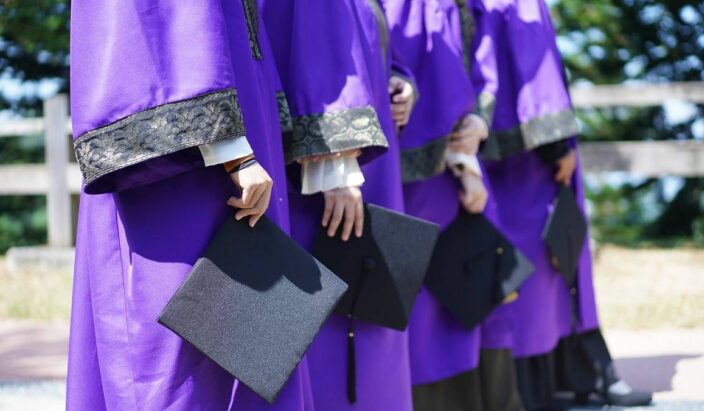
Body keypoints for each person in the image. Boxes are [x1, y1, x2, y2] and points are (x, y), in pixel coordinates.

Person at [65, 1, 316, 409]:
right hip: (185, 163)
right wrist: (233, 151)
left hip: (238, 129)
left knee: (255, 346)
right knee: (179, 352)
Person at [471, 0, 653, 408]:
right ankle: (568, 378)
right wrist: (556, 147)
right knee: (546, 270)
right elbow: (534, 66)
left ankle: (552, 380)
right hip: (532, 160)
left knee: (535, 272)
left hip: (493, 149)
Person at [261, 1, 418, 410]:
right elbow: (317, 44)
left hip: (368, 163)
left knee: (370, 319)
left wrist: (401, 80)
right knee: (325, 330)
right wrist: (336, 161)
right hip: (320, 170)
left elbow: (370, 39)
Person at [384, 0, 524, 409]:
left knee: (461, 305)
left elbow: (476, 67)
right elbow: (439, 83)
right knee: (430, 311)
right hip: (424, 177)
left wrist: (477, 127)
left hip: (445, 165)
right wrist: (464, 163)